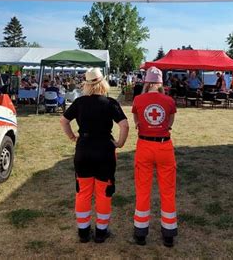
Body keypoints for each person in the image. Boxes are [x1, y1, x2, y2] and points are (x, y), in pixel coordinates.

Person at [60, 68, 129, 244]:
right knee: (104, 192)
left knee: (82, 192)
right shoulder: (110, 102)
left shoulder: (80, 102)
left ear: (87, 85)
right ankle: (101, 232)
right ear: (103, 82)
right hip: (105, 151)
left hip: (83, 149)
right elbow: (124, 125)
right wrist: (120, 143)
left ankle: (83, 233)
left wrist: (72, 137)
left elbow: (64, 120)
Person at [131, 66, 178, 248]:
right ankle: (168, 234)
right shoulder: (168, 100)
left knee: (143, 190)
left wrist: (141, 125)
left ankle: (141, 233)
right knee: (167, 191)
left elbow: (136, 119)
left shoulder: (138, 99)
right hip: (164, 146)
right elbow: (170, 122)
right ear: (160, 83)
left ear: (146, 82)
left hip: (144, 146)